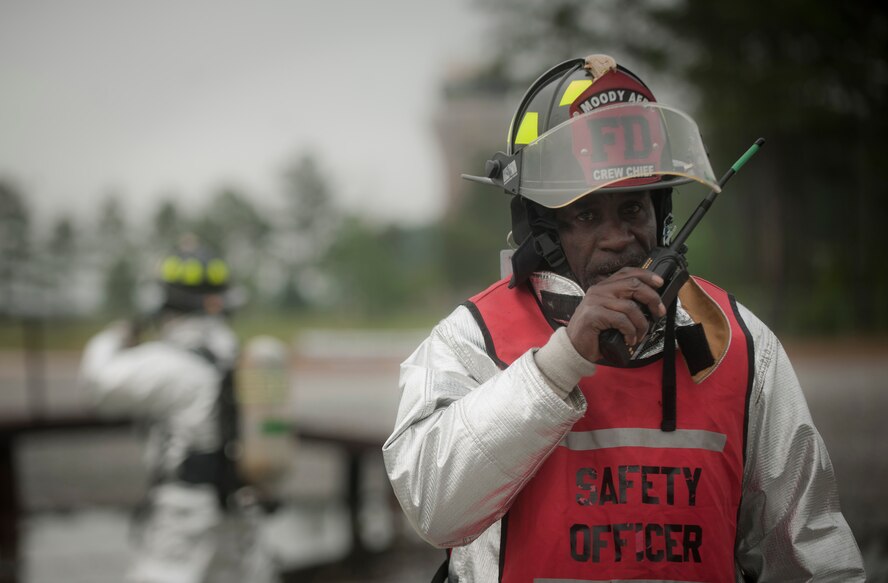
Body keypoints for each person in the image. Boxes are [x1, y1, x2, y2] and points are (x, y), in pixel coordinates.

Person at [382, 55, 865, 582]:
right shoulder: (473, 339)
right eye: (587, 215)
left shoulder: (739, 344)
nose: (617, 238)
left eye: (632, 209)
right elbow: (434, 510)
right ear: (542, 230)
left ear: (661, 213)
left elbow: (813, 557)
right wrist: (560, 362)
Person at [79, 235, 278, 583]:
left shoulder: (172, 364)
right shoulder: (237, 355)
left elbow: (97, 383)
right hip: (239, 514)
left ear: (165, 302)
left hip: (184, 519)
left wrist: (118, 334)